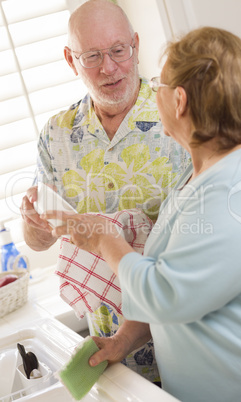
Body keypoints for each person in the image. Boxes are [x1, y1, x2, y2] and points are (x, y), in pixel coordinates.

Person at [44, 26, 241, 401]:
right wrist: (125, 340)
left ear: (178, 100)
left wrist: (104, 238)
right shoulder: (197, 175)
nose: (151, 95)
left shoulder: (239, 188)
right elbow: (177, 280)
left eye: (157, 87)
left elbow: (166, 294)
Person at [20, 0, 189, 384]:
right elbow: (39, 238)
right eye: (92, 56)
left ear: (136, 44)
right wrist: (36, 226)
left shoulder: (179, 117)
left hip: (180, 344)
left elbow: (195, 253)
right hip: (110, 355)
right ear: (70, 59)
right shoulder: (56, 135)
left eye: (117, 51)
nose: (108, 68)